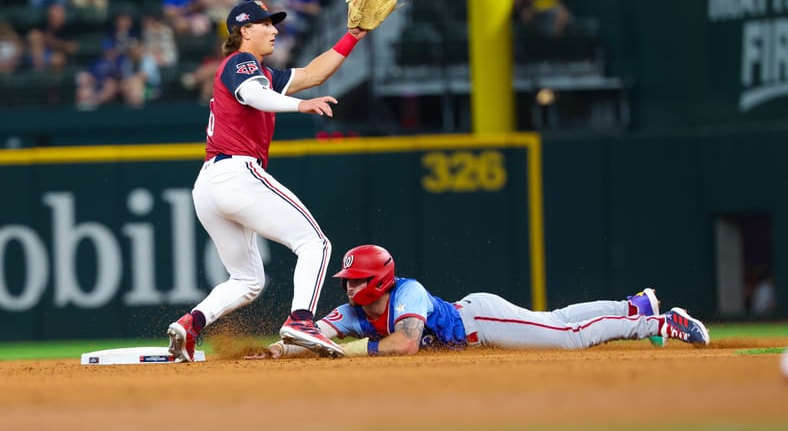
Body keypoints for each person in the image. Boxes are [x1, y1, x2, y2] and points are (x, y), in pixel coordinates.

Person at [166, 0, 370, 362]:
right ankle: (301, 320)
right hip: (237, 173)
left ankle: (190, 324)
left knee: (247, 280)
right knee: (315, 244)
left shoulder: (263, 73)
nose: (275, 30)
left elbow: (312, 74)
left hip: (210, 184)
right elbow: (254, 96)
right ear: (245, 31)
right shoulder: (240, 63)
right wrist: (300, 105)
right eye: (266, 24)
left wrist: (352, 36)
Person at [248, 244, 711, 359]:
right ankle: (636, 306)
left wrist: (345, 350)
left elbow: (407, 345)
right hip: (472, 322)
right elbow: (313, 336)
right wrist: (274, 350)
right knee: (557, 320)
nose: (349, 288)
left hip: (480, 322)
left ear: (380, 280)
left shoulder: (405, 292)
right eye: (347, 280)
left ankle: (659, 322)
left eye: (357, 280)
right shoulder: (351, 311)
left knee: (566, 337)